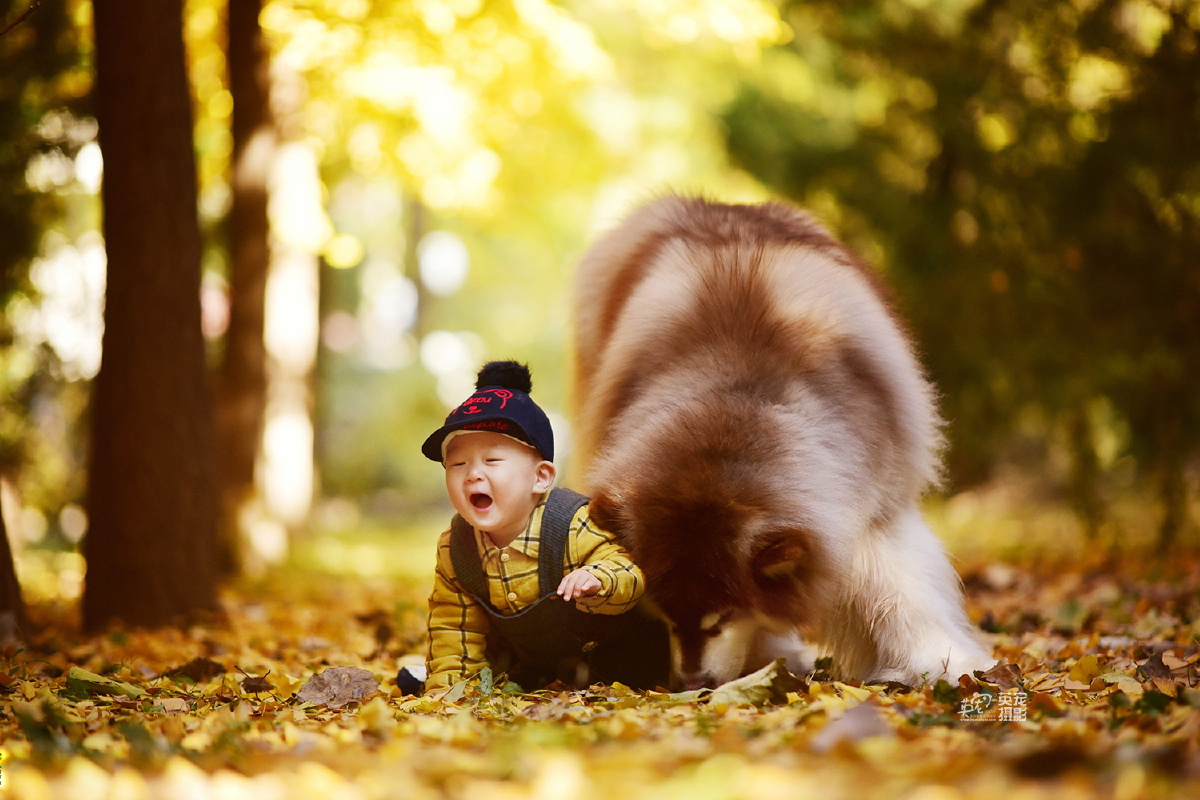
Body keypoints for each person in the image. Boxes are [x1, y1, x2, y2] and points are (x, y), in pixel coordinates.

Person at [418, 360, 669, 694]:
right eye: (458, 463)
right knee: (499, 672)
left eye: (492, 460)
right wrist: (448, 691)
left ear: (541, 477)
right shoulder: (457, 548)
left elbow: (629, 573)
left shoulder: (570, 524)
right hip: (534, 664)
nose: (472, 474)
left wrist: (599, 579)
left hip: (612, 656)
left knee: (632, 671)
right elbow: (454, 626)